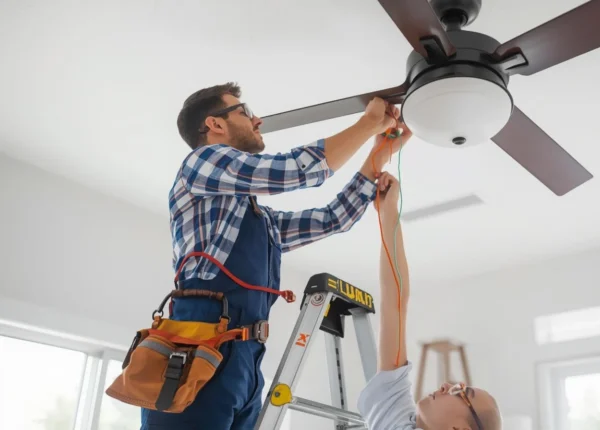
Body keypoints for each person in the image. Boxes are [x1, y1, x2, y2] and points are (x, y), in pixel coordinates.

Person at [142, 82, 410, 430]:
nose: (258, 120)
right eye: (245, 111)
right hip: (196, 352)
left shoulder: (258, 221)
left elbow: (332, 218)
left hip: (245, 360)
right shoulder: (200, 162)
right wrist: (367, 125)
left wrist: (379, 156)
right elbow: (291, 171)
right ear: (215, 125)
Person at [357, 172, 503, 430]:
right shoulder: (399, 419)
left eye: (461, 392)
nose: (448, 385)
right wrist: (388, 212)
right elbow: (396, 302)